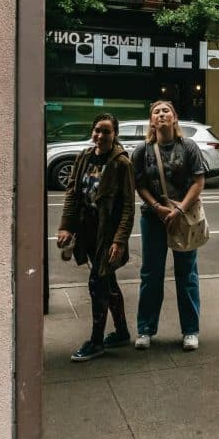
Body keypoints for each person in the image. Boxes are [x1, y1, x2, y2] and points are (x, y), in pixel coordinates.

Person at [57, 113, 136, 362]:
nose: (100, 136)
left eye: (106, 132)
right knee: (108, 281)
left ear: (115, 135)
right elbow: (72, 192)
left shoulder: (121, 163)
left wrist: (119, 241)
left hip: (108, 234)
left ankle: (96, 341)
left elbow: (127, 207)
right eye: (97, 131)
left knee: (98, 282)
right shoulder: (84, 157)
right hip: (87, 230)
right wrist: (66, 226)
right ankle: (122, 332)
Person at [131, 100, 206, 351]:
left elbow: (198, 182)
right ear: (152, 121)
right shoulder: (142, 150)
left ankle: (190, 331)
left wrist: (179, 209)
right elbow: (139, 184)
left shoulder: (189, 147)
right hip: (153, 218)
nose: (161, 114)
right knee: (151, 274)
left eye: (166, 111)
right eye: (156, 112)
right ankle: (145, 329)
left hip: (183, 217)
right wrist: (157, 208)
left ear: (175, 118)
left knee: (187, 274)